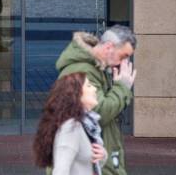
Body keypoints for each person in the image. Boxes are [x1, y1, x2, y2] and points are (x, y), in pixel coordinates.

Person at [55, 25, 137, 175]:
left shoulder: (96, 69)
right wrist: (122, 88)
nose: (124, 63)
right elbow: (99, 112)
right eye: (124, 56)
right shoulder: (83, 70)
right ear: (109, 47)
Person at [33, 72, 107, 175]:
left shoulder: (85, 125)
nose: (95, 89)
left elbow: (84, 166)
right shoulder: (71, 128)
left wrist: (102, 156)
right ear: (76, 94)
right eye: (89, 86)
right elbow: (60, 171)